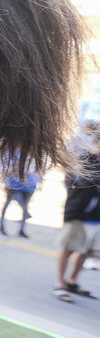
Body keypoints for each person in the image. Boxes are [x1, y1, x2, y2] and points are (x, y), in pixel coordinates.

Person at [55, 129, 100, 303]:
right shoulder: (84, 159)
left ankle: (72, 280)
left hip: (96, 216)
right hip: (77, 212)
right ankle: (60, 283)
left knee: (88, 250)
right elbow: (75, 181)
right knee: (68, 248)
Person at [0, 158, 40, 238]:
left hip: (30, 183)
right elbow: (7, 163)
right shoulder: (16, 149)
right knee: (8, 203)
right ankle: (1, 225)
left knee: (25, 206)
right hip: (15, 182)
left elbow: (39, 167)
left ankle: (22, 229)